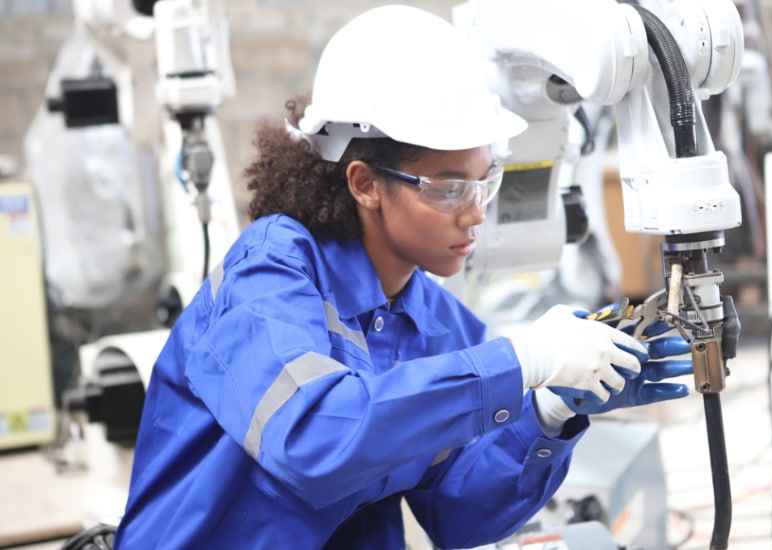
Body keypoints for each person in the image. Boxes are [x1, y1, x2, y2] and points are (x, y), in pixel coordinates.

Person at [113, 5, 694, 549]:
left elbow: (458, 513)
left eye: (485, 180)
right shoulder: (269, 276)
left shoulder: (435, 323)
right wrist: (519, 360)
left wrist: (550, 413)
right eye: (448, 188)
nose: (476, 211)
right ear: (365, 183)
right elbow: (316, 439)